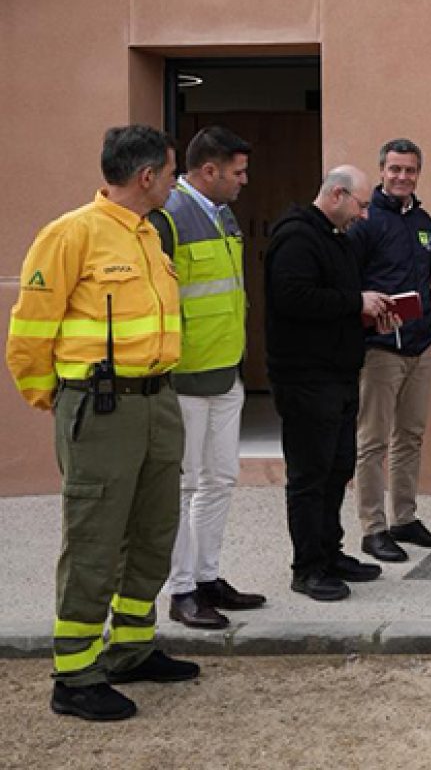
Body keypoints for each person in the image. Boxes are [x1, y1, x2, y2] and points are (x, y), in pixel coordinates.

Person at [7, 126, 198, 721]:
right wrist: (61, 403)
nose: (174, 182)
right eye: (170, 173)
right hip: (102, 407)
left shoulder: (149, 236)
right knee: (95, 537)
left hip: (156, 402)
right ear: (147, 178)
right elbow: (30, 331)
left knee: (153, 529)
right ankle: (76, 673)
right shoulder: (71, 235)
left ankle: (132, 648)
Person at [148, 126, 265, 629]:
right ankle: (180, 590)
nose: (245, 180)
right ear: (209, 170)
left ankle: (208, 576)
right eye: (237, 172)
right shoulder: (168, 218)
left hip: (225, 373)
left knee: (219, 480)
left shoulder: (224, 214)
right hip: (183, 379)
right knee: (183, 485)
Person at [264, 166, 392, 602]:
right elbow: (293, 297)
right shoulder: (297, 237)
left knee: (337, 467)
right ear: (337, 195)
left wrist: (364, 309)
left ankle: (330, 551)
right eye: (360, 204)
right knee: (310, 474)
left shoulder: (336, 238)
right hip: (305, 377)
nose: (364, 215)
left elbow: (334, 299)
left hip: (337, 374)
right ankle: (308, 567)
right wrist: (356, 301)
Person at [348, 138, 431, 564]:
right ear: (382, 171)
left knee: (410, 435)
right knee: (372, 441)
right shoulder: (365, 221)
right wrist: (366, 302)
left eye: (410, 170)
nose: (402, 177)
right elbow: (347, 281)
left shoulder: (424, 220)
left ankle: (404, 517)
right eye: (395, 170)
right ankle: (373, 528)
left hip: (419, 344)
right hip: (380, 349)